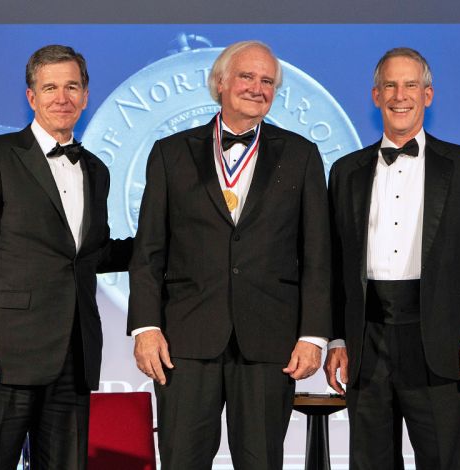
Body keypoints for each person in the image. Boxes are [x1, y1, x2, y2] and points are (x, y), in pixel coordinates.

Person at [128, 40, 332, 470]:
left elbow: (317, 254)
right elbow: (149, 251)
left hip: (268, 342)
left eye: (267, 81)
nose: (257, 88)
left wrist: (313, 336)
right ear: (220, 82)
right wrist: (146, 327)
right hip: (183, 342)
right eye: (246, 76)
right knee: (182, 460)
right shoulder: (170, 153)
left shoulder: (301, 156)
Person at [0, 44, 132, 470]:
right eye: (50, 87)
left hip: (73, 355)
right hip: (2, 357)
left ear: (85, 95)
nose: (61, 98)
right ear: (32, 97)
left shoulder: (96, 171)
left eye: (72, 86)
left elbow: (90, 255)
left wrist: (164, 243)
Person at [323, 47, 460, 469]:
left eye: (410, 85)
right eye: (390, 85)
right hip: (367, 341)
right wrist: (337, 337)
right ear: (375, 95)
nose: (400, 95)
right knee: (370, 461)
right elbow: (334, 262)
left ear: (428, 95)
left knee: (444, 460)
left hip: (438, 340)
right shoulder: (345, 171)